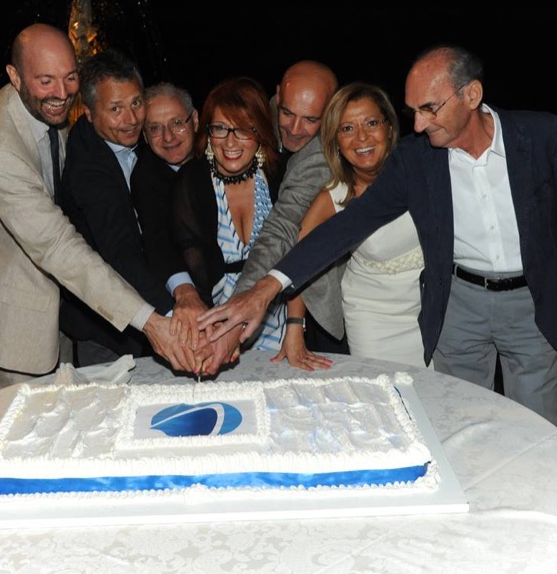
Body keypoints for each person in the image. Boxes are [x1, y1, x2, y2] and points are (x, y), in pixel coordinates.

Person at [198, 45, 557, 429]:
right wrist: (265, 289)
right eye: (413, 112)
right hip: (457, 306)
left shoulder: (542, 136)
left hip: (532, 300)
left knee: (537, 425)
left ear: (471, 95)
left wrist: (553, 273)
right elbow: (346, 226)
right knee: (460, 420)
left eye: (429, 109)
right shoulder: (417, 158)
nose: (418, 125)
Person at [0, 23, 197, 390]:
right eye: (46, 81)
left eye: (70, 78)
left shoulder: (51, 112)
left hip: (67, 302)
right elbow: (57, 245)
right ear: (14, 77)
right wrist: (151, 322)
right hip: (18, 305)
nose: (62, 93)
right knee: (28, 421)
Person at [58, 50, 204, 365]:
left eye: (136, 103)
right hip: (106, 327)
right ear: (89, 113)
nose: (132, 119)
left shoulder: (142, 141)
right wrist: (176, 316)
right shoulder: (87, 168)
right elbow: (120, 251)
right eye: (116, 109)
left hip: (151, 300)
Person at [274, 82, 424, 371]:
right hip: (372, 322)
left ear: (389, 128)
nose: (361, 137)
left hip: (433, 314)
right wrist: (294, 326)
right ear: (336, 142)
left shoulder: (422, 174)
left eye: (371, 123)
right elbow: (300, 257)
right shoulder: (334, 196)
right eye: (347, 129)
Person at [226, 60, 347, 362]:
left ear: (330, 112)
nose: (294, 129)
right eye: (288, 113)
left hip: (312, 296)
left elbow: (285, 227)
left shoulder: (320, 153)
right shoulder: (258, 117)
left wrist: (241, 304)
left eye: (310, 119)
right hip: (251, 277)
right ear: (278, 96)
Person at [171, 76, 285, 357]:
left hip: (274, 318)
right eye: (221, 128)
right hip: (214, 326)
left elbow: (298, 248)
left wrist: (297, 326)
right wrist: (210, 334)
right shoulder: (193, 181)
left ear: (260, 133)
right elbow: (188, 257)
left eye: (243, 129)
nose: (230, 142)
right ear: (209, 134)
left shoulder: (278, 175)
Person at [130, 82, 198, 288]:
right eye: (155, 128)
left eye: (177, 123)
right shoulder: (146, 177)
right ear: (145, 136)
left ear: (195, 120)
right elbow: (158, 241)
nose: (168, 137)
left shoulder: (218, 154)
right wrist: (184, 291)